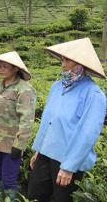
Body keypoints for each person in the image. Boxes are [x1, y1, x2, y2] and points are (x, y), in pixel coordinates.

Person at [27, 38, 106, 202]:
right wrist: (38, 150)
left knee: (61, 199)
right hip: (45, 154)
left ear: (80, 64)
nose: (62, 64)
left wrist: (69, 167)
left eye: (67, 59)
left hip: (67, 160)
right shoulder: (57, 87)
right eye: (62, 59)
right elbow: (47, 121)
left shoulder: (94, 94)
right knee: (35, 195)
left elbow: (87, 134)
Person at [0, 51, 36, 200]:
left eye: (5, 66)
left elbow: (27, 120)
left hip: (11, 144)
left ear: (15, 69)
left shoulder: (24, 89)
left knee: (9, 181)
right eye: (0, 66)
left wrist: (19, 145)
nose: (1, 69)